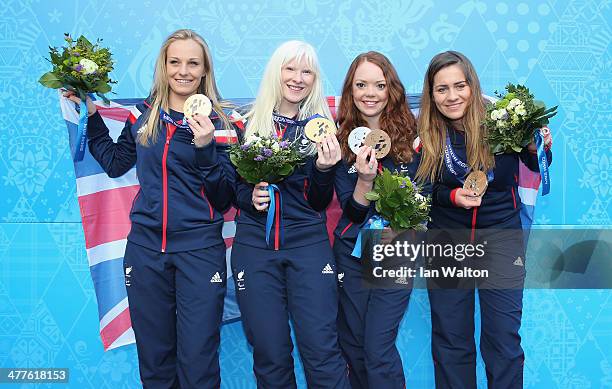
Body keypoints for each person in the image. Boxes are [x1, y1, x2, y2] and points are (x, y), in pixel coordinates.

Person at [64, 29, 235, 388]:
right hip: (145, 253)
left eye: (193, 63)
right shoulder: (143, 116)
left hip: (199, 253)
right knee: (155, 363)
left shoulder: (221, 123)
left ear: (205, 70)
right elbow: (114, 163)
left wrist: (205, 148)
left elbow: (225, 198)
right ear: (164, 66)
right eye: (175, 62)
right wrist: (92, 114)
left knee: (198, 363)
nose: (183, 71)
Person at [415, 51, 552, 389]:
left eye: (459, 86)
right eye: (442, 89)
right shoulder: (426, 135)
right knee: (450, 341)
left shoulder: (505, 123)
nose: (452, 96)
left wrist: (540, 148)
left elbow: (534, 167)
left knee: (503, 340)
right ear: (431, 94)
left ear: (472, 86)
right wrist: (452, 197)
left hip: (502, 240)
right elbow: (420, 192)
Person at [229, 40, 350, 389]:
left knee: (323, 352)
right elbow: (230, 190)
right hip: (254, 248)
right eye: (290, 69)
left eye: (307, 71)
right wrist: (250, 196)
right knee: (269, 354)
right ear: (275, 72)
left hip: (308, 246)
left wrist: (325, 169)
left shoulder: (323, 129)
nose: (298, 78)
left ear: (315, 79)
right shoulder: (245, 123)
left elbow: (318, 201)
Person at [333, 51, 423, 389]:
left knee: (377, 349)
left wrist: (402, 227)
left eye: (379, 85)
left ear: (392, 91)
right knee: (354, 347)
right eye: (361, 85)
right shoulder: (340, 143)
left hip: (396, 251)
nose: (370, 93)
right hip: (352, 254)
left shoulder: (414, 139)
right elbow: (351, 212)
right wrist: (365, 181)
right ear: (351, 91)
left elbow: (427, 195)